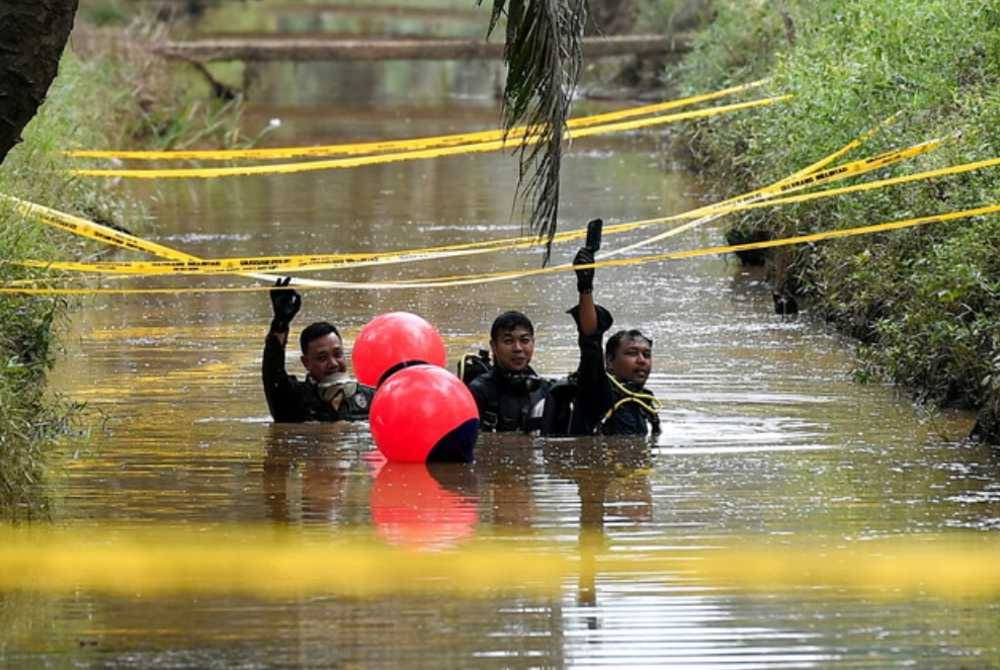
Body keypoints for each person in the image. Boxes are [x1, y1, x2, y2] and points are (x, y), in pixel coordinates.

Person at [567, 223, 661, 436]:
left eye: (646, 354)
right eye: (631, 353)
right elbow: (590, 341)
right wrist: (585, 286)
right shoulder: (596, 390)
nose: (642, 361)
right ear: (608, 361)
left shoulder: (645, 401)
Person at [262, 278, 373, 423]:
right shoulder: (292, 400)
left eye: (338, 354)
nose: (333, 363)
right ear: (306, 363)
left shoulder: (370, 398)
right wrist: (280, 323)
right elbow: (272, 372)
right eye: (322, 358)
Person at [466, 310, 554, 433]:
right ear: (494, 346)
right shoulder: (478, 392)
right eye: (508, 341)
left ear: (533, 343)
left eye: (524, 341)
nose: (517, 348)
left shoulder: (544, 390)